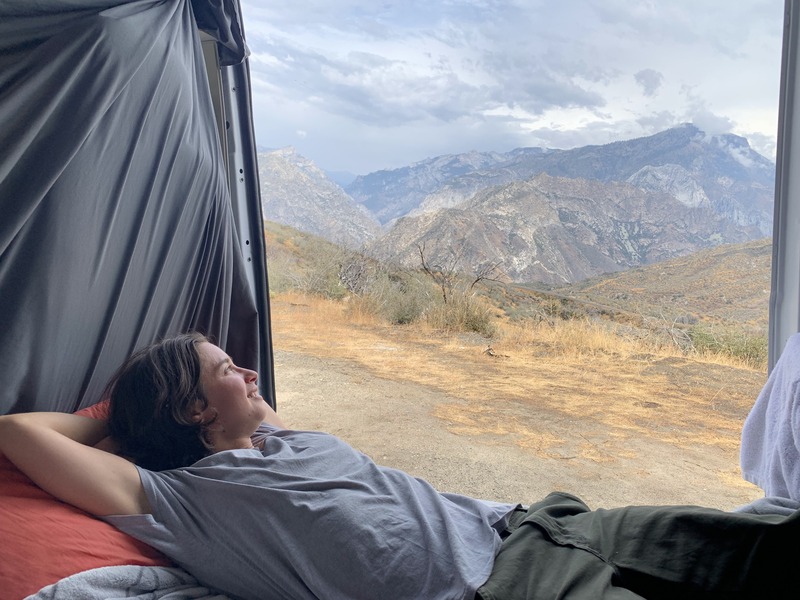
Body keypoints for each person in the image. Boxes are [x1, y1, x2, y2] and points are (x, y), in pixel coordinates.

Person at [0, 333, 797, 600]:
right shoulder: (180, 498)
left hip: (540, 527)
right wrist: (111, 418)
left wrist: (158, 408)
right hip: (499, 590)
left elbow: (246, 408)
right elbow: (16, 430)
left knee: (766, 545)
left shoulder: (276, 437)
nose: (249, 375)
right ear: (192, 411)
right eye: (226, 369)